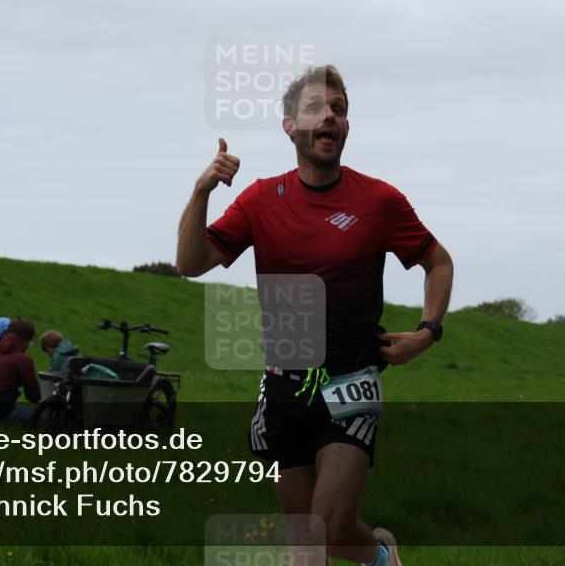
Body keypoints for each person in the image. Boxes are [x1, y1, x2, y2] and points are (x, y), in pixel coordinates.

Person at [176, 65, 454, 566]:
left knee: (326, 528)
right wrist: (201, 193)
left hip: (352, 380)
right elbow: (190, 263)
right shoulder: (261, 198)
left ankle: (379, 555)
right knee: (306, 544)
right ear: (290, 126)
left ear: (346, 126)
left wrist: (427, 332)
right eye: (315, 108)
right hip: (284, 385)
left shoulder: (380, 200)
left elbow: (438, 262)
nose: (330, 116)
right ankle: (381, 558)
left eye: (339, 109)